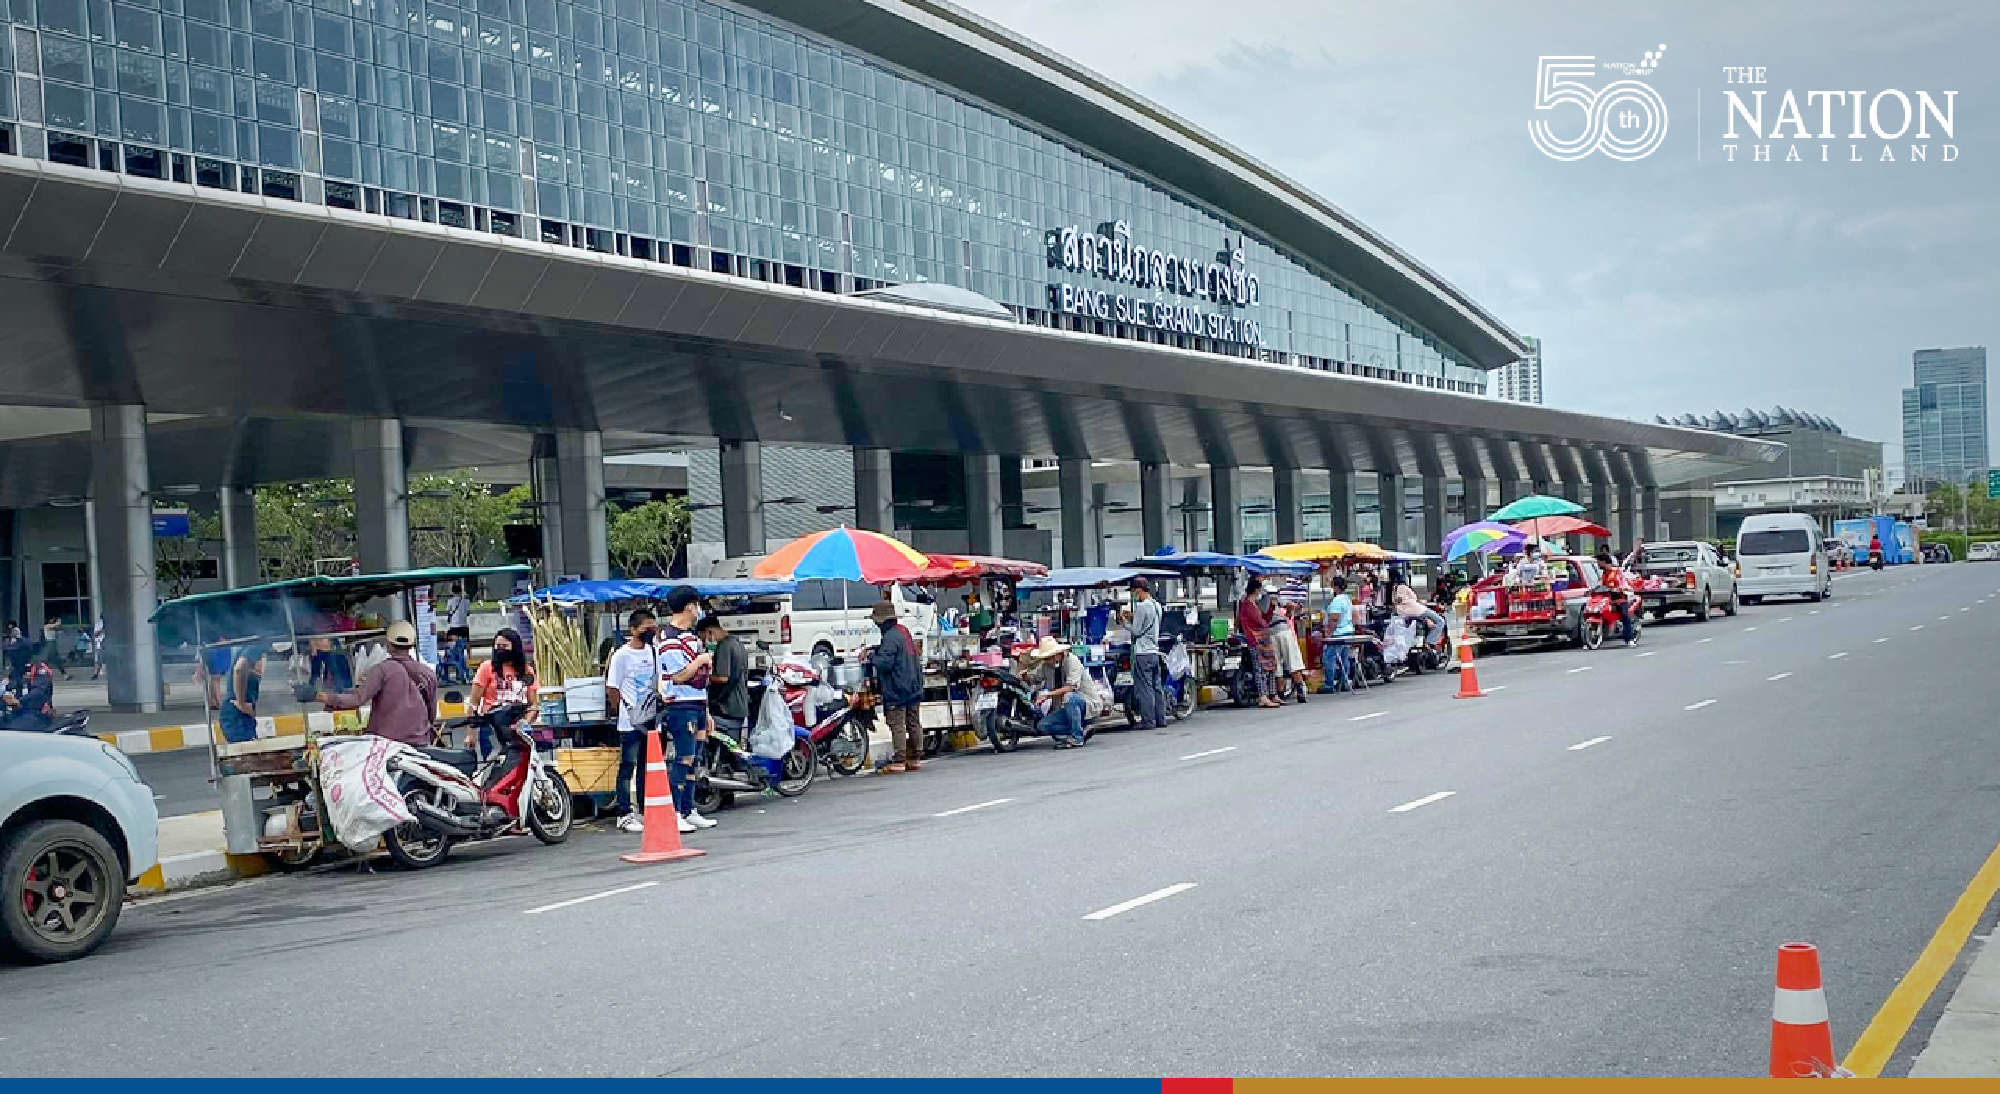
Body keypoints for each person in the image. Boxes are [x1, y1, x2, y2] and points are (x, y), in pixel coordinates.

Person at [654, 585, 717, 833]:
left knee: (696, 758)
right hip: (680, 706)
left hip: (698, 703)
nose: (698, 611)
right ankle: (675, 811)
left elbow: (702, 678)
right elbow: (678, 676)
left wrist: (707, 710)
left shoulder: (691, 637)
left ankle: (689, 809)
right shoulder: (669, 639)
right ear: (690, 606)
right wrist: (700, 661)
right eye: (697, 605)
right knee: (684, 757)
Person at [317, 621, 438, 746]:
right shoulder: (428, 674)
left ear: (388, 644)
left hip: (386, 746)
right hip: (420, 743)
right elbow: (431, 715)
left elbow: (356, 699)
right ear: (412, 644)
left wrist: (321, 697)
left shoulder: (382, 671)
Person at [606, 608, 659, 834]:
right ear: (634, 629)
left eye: (653, 627)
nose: (651, 631)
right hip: (629, 721)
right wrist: (622, 709)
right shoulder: (621, 656)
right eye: (646, 627)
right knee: (628, 765)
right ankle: (624, 812)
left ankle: (646, 810)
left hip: (650, 719)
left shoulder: (653, 652)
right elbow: (612, 687)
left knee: (647, 766)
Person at [868, 600, 926, 772]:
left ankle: (900, 759)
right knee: (913, 722)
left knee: (897, 723)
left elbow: (885, 663)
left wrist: (871, 658)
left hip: (897, 686)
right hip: (914, 684)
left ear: (882, 621)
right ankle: (915, 757)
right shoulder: (903, 632)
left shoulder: (890, 637)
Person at [1025, 635, 1096, 747]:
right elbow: (1033, 677)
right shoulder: (1046, 666)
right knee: (1042, 726)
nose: (1046, 661)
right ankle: (1080, 729)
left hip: (1085, 703)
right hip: (1063, 707)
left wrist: (1047, 695)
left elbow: (1071, 687)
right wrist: (1024, 675)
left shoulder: (1072, 662)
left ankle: (1077, 737)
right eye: (1045, 658)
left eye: (1048, 658)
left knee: (1069, 697)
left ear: (1057, 654)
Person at [698, 614, 750, 740]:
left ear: (709, 631)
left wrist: (703, 676)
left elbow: (722, 677)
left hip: (727, 707)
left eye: (704, 637)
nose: (705, 641)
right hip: (740, 704)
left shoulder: (724, 646)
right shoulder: (737, 643)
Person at [1124, 577, 1167, 729]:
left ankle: (1148, 721)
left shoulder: (1142, 606)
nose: (1134, 595)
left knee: (1145, 689)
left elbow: (1136, 631)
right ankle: (1161, 719)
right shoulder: (1157, 606)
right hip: (1154, 651)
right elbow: (1149, 623)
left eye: (1135, 591)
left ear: (1139, 590)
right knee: (1156, 687)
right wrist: (1133, 618)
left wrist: (1124, 623)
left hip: (1142, 652)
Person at [1234, 577, 1281, 709]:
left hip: (1264, 639)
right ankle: (1263, 697)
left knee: (1271, 666)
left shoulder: (1255, 605)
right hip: (1255, 640)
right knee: (1260, 669)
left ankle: (1272, 694)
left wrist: (1272, 607)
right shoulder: (1247, 605)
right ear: (1256, 590)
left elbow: (1265, 618)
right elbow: (1260, 622)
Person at [216, 643, 268, 744]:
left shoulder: (248, 644)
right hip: (238, 714)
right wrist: (241, 703)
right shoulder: (255, 644)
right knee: (247, 755)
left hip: (238, 713)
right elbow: (239, 669)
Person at [1318, 576, 1361, 693]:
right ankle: (1345, 681)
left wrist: (1329, 633)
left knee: (1328, 658)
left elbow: (1334, 619)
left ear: (1335, 587)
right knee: (1344, 658)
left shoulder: (1337, 601)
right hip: (1348, 631)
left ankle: (1329, 684)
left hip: (1338, 633)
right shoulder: (1347, 599)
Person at [1594, 548, 1639, 647]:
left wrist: (1619, 589)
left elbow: (1623, 583)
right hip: (1608, 599)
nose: (1597, 565)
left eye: (1598, 562)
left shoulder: (1617, 572)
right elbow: (1600, 584)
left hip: (1620, 598)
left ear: (1603, 562)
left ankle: (1630, 639)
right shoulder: (1604, 573)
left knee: (1624, 616)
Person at [1268, 598, 1310, 703]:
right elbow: (1290, 605)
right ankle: (1301, 693)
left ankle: (1280, 694)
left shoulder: (1253, 599)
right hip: (1283, 630)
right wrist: (1289, 613)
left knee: (1276, 666)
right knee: (1293, 662)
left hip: (1269, 632)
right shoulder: (1273, 596)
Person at [0, 658, 56, 730]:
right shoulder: (15, 670)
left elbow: (39, 693)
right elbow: (9, 687)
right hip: (14, 713)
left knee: (12, 729)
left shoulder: (39, 668)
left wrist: (19, 701)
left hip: (36, 715)